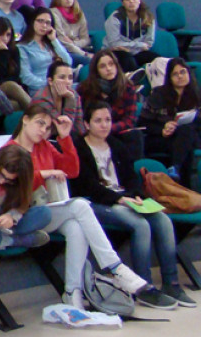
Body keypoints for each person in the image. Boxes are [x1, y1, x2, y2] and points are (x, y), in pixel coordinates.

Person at [10, 104, 172, 310]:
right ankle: (115, 267)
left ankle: (73, 294)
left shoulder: (44, 146)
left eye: (47, 127)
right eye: (39, 123)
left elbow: (72, 170)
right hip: (22, 214)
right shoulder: (9, 149)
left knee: (76, 229)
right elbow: (12, 185)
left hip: (48, 209)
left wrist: (65, 138)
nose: (43, 130)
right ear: (25, 120)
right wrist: (43, 174)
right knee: (81, 205)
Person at [74, 100, 194, 307]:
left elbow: (131, 179)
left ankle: (171, 283)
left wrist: (137, 196)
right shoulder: (80, 148)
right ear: (86, 124)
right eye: (98, 121)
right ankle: (144, 287)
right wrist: (119, 199)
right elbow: (87, 186)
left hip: (124, 199)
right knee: (141, 225)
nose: (104, 125)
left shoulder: (117, 146)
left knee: (162, 220)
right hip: (97, 202)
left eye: (108, 120)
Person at [140, 57, 201, 182]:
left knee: (187, 132)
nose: (180, 76)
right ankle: (185, 186)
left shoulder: (196, 95)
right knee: (186, 144)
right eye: (175, 74)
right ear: (169, 78)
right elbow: (143, 123)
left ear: (189, 73)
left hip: (186, 136)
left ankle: (175, 168)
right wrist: (162, 129)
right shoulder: (158, 95)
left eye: (183, 72)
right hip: (162, 138)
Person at [77, 49, 143, 159]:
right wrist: (97, 129)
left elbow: (130, 119)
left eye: (111, 64)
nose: (108, 69)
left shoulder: (127, 87)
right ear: (96, 70)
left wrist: (109, 128)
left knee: (135, 136)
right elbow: (81, 117)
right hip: (93, 132)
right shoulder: (85, 89)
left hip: (117, 131)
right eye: (103, 66)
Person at [104, 0, 159, 72]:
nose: (131, 1)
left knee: (158, 60)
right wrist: (139, 45)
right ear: (123, 3)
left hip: (137, 52)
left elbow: (148, 43)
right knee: (128, 60)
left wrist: (127, 47)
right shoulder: (114, 18)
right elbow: (114, 44)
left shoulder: (148, 18)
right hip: (115, 53)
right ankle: (133, 84)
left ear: (139, 0)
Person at [0, 17, 32, 110]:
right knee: (10, 85)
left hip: (10, 90)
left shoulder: (14, 50)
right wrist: (4, 54)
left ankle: (35, 114)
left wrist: (6, 53)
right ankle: (37, 112)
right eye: (1, 34)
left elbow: (16, 75)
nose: (5, 39)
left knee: (16, 104)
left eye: (8, 35)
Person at [18, 6, 71, 94]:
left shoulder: (50, 44)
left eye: (48, 23)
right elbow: (26, 76)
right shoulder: (22, 47)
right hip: (39, 89)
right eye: (40, 21)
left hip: (59, 84)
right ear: (32, 22)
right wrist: (50, 84)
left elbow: (68, 62)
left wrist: (54, 40)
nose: (44, 25)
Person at [30, 58, 85, 137]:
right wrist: (70, 99)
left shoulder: (74, 95)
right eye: (62, 77)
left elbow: (79, 124)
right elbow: (64, 127)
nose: (67, 82)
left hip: (66, 139)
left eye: (70, 78)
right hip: (45, 138)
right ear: (50, 81)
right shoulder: (41, 99)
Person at [50, 0, 92, 65]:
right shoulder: (54, 13)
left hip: (79, 49)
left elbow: (86, 39)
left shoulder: (79, 13)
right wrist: (84, 54)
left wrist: (74, 43)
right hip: (65, 51)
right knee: (88, 61)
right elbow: (62, 41)